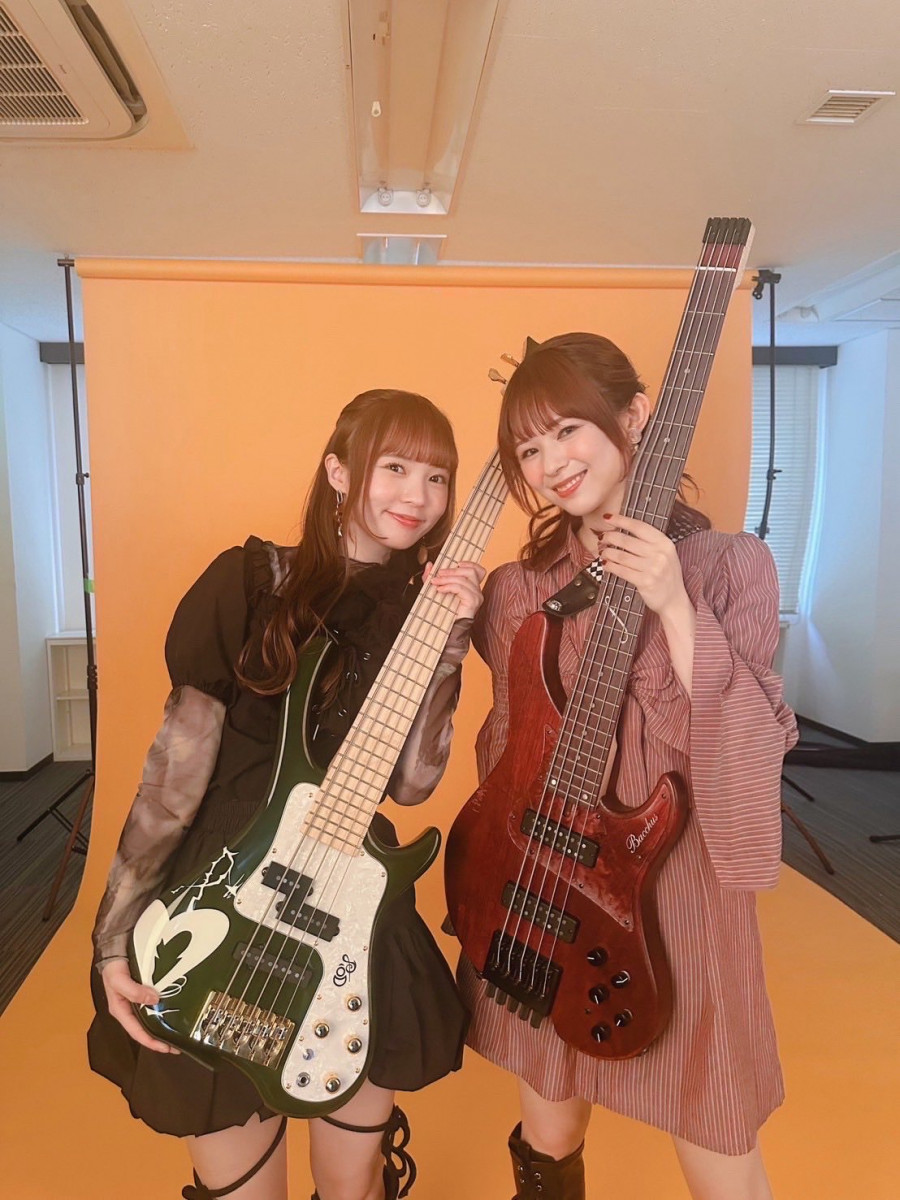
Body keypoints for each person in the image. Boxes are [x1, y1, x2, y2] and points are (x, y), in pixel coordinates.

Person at [89, 389, 485, 1200]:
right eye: (395, 467)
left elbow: (412, 784)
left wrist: (446, 639)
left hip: (347, 904)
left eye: (438, 477)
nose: (418, 495)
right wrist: (114, 934)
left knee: (353, 1184)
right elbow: (173, 779)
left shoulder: (423, 609)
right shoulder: (247, 582)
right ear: (339, 472)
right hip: (222, 899)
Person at [455, 333, 799, 1200]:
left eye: (567, 430)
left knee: (718, 1137)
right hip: (546, 887)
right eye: (528, 450)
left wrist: (674, 605)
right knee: (550, 1130)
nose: (551, 464)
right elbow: (505, 753)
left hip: (676, 894)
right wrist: (438, 627)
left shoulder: (731, 566)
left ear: (636, 416)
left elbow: (747, 746)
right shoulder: (518, 589)